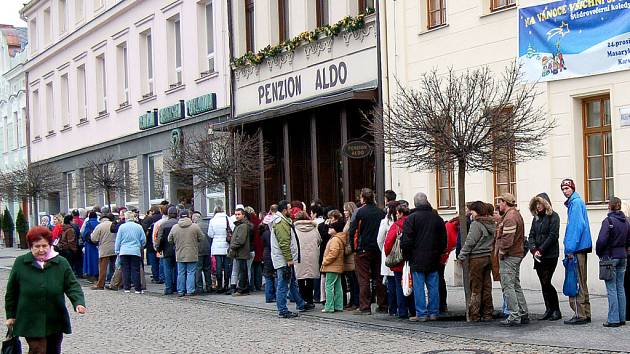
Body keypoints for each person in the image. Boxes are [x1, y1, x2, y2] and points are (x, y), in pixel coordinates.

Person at [4, 226, 87, 354]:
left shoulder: (61, 262)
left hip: (55, 317)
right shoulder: (21, 263)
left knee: (53, 350)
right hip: (30, 317)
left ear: (50, 245)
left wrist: (78, 302)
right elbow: (12, 292)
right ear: (31, 246)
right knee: (38, 349)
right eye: (37, 246)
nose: (41, 250)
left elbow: (72, 285)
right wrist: (10, 316)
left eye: (44, 246)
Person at [401, 192, 447, 322]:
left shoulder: (412, 218)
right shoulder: (437, 218)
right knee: (433, 286)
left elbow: (407, 240)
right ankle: (433, 312)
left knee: (419, 286)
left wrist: (407, 255)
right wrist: (439, 252)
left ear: (415, 203)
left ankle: (421, 313)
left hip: (416, 257)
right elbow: (443, 240)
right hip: (433, 257)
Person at [271, 200, 314, 318]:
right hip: (283, 259)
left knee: (292, 282)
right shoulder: (280, 223)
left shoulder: (284, 221)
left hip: (285, 258)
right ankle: (283, 310)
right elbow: (284, 243)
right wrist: (289, 258)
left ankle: (300, 303)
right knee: (283, 284)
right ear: (284, 210)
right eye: (289, 209)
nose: (291, 211)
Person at [348, 188, 387, 315]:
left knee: (364, 278)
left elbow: (353, 231)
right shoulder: (381, 212)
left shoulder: (360, 213)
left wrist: (354, 248)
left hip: (363, 248)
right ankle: (383, 304)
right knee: (379, 277)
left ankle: (365, 307)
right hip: (377, 248)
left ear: (363, 198)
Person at [561, 178, 593, 325]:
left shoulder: (575, 203)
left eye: (567, 188)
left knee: (577, 281)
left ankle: (580, 314)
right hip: (581, 247)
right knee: (582, 280)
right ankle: (585, 312)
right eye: (563, 189)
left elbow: (575, 227)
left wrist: (570, 248)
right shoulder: (576, 203)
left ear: (572, 188)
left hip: (577, 248)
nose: (564, 191)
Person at [495, 193, 529, 326]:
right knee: (515, 285)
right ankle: (522, 312)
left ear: (505, 202)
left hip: (510, 256)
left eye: (500, 202)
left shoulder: (510, 217)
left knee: (508, 286)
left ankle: (514, 315)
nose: (499, 205)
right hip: (516, 254)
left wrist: (502, 252)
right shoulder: (515, 214)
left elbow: (507, 240)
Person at [458, 201, 495, 322]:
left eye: (472, 211)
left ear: (477, 211)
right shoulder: (491, 222)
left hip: (477, 258)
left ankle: (474, 315)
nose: (470, 213)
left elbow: (470, 242)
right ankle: (488, 313)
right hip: (488, 257)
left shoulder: (476, 224)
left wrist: (461, 255)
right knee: (487, 286)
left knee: (476, 287)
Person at [596, 197, 630, 327]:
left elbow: (601, 241)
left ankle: (613, 319)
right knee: (620, 288)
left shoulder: (608, 221)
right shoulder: (626, 221)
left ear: (609, 206)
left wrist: (600, 253)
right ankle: (622, 318)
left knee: (611, 289)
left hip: (610, 256)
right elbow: (628, 240)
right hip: (623, 256)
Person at [527, 193, 562, 321]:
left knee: (547, 282)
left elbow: (553, 236)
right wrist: (534, 249)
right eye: (536, 203)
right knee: (543, 283)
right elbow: (531, 235)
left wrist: (541, 250)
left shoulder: (554, 217)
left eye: (540, 203)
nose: (538, 206)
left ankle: (556, 310)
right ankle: (548, 309)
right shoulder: (536, 218)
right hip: (538, 256)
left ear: (546, 203)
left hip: (550, 255)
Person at [384, 204, 416, 319]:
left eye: (397, 213)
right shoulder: (414, 223)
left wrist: (389, 254)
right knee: (412, 283)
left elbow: (387, 243)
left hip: (399, 261)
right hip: (412, 259)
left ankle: (402, 311)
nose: (396, 215)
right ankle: (413, 309)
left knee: (399, 285)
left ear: (401, 213)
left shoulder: (396, 225)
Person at [169, 209, 205, 297]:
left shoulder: (175, 227)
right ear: (189, 216)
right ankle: (190, 290)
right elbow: (202, 238)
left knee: (181, 272)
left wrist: (176, 243)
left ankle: (181, 290)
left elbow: (169, 239)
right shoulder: (195, 227)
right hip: (192, 252)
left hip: (180, 252)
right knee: (191, 272)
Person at [321, 212, 348, 313]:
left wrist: (325, 261)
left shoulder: (335, 239)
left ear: (335, 230)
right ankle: (338, 305)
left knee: (329, 286)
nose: (329, 229)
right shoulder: (338, 238)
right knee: (337, 286)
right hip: (336, 266)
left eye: (331, 228)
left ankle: (329, 306)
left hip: (331, 266)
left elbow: (333, 253)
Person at [294, 211, 322, 305]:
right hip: (312, 256)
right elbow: (319, 240)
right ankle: (310, 300)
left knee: (300, 278)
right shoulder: (314, 228)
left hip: (299, 256)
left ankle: (302, 300)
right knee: (310, 279)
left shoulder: (294, 229)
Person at [115, 211, 146, 294]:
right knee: (135, 269)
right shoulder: (138, 227)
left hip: (124, 250)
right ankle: (137, 288)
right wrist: (140, 245)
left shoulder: (122, 227)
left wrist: (117, 250)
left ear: (126, 218)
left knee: (125, 269)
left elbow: (118, 240)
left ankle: (127, 287)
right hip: (135, 250)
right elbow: (143, 240)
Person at [378, 201, 399, 316]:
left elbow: (380, 239)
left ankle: (392, 309)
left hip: (389, 254)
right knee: (399, 282)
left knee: (391, 284)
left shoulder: (385, 222)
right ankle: (401, 307)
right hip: (400, 256)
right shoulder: (401, 221)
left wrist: (384, 250)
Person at [209, 205, 233, 293]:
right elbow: (232, 229)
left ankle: (219, 285)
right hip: (226, 245)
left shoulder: (212, 220)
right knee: (227, 266)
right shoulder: (228, 219)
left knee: (218, 266)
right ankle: (226, 285)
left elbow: (210, 234)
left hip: (216, 246)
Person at [156, 207, 179, 295]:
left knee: (168, 270)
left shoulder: (163, 225)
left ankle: (168, 288)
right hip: (178, 249)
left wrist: (159, 249)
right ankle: (177, 287)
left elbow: (160, 239)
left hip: (166, 250)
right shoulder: (178, 224)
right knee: (177, 270)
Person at [90, 213, 116, 290]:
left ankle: (100, 284)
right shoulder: (114, 224)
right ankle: (117, 283)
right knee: (115, 267)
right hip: (115, 247)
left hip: (104, 248)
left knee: (103, 267)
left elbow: (94, 238)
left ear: (101, 219)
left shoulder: (100, 226)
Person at [229, 208, 251, 296]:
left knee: (242, 271)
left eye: (239, 214)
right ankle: (244, 288)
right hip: (239, 252)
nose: (237, 216)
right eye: (236, 214)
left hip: (241, 251)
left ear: (243, 215)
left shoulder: (243, 225)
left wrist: (232, 245)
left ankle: (242, 289)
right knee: (243, 270)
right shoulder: (239, 225)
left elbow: (240, 240)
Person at [342, 202, 360, 310]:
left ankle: (355, 301)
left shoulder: (352, 221)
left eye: (345, 210)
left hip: (350, 252)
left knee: (354, 279)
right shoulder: (348, 221)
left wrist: (348, 249)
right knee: (351, 279)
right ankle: (353, 300)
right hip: (348, 253)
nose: (344, 212)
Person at [439, 215, 458, 314]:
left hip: (438, 256)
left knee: (437, 280)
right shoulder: (452, 228)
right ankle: (442, 305)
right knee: (440, 280)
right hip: (443, 256)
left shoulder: (449, 227)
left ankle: (440, 304)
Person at [192, 211, 212, 293]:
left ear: (194, 219)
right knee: (207, 269)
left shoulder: (194, 227)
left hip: (198, 251)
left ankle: (199, 287)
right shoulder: (207, 225)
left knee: (198, 269)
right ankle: (209, 286)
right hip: (208, 250)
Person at [82, 211, 100, 282]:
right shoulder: (99, 224)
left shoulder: (88, 223)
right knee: (96, 259)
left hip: (89, 245)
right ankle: (97, 273)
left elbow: (84, 234)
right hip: (97, 244)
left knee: (89, 260)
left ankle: (90, 274)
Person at [261, 218, 276, 303]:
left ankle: (269, 296)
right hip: (273, 254)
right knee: (275, 276)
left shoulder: (264, 233)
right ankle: (275, 295)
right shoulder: (274, 232)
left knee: (268, 277)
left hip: (266, 254)